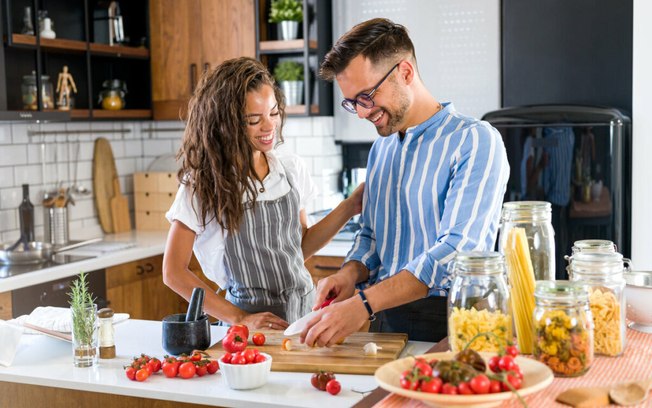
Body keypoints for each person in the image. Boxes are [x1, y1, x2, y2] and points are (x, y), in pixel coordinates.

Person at [299, 18, 510, 346]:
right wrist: (348, 274)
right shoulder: (381, 148)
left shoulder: (475, 141)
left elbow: (456, 253)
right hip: (386, 317)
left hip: (452, 320)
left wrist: (365, 303)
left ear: (405, 73)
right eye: (352, 101)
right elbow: (370, 237)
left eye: (366, 96)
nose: (360, 112)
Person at [163, 57, 363, 330]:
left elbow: (300, 247)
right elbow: (173, 272)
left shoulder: (290, 169)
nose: (269, 127)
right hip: (248, 329)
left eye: (273, 113)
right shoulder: (203, 184)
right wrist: (239, 318)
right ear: (226, 123)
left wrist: (350, 206)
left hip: (303, 318)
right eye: (254, 120)